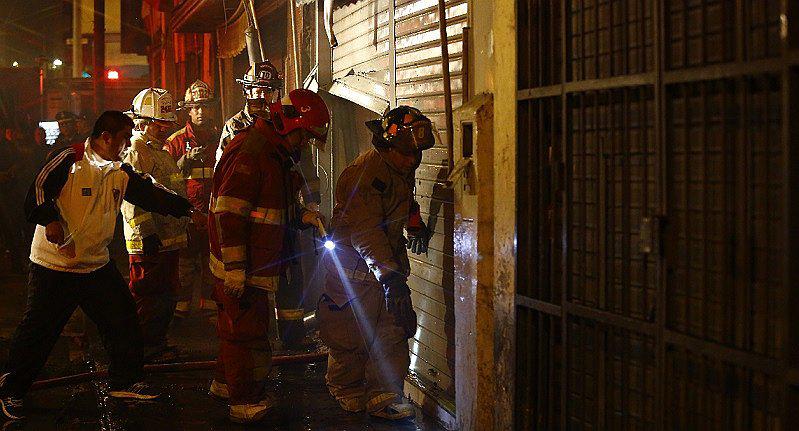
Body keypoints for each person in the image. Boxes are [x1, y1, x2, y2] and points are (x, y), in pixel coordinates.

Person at [0, 111, 205, 421]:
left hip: (95, 264)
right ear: (106, 137)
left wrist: (188, 210)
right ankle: (12, 389)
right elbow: (38, 190)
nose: (127, 145)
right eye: (124, 138)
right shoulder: (69, 158)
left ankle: (125, 381)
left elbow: (152, 194)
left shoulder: (120, 171)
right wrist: (50, 220)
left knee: (122, 319)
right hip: (54, 266)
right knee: (39, 331)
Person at [208, 89, 329, 423]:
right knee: (245, 333)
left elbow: (270, 208)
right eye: (305, 137)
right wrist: (234, 268)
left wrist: (302, 217)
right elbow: (228, 214)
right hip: (242, 265)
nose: (305, 145)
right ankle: (245, 402)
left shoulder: (273, 153)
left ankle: (224, 384)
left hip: (254, 261)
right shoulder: (252, 153)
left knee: (237, 327)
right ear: (291, 126)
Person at [318, 106, 435, 420]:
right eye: (407, 154)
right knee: (350, 335)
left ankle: (382, 398)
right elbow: (366, 231)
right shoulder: (369, 173)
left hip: (381, 267)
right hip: (354, 269)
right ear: (388, 145)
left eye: (416, 155)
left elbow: (404, 199)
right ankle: (348, 392)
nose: (413, 161)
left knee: (392, 331)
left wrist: (414, 225)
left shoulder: (399, 165)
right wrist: (390, 278)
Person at [121, 88, 192, 361]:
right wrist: (147, 232)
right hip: (149, 242)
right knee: (147, 296)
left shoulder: (159, 151)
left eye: (166, 124)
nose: (164, 129)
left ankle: (157, 343)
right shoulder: (137, 151)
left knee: (165, 295)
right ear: (142, 121)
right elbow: (132, 199)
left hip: (169, 239)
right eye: (159, 124)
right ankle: (144, 349)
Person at [164, 80, 219, 318]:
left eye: (205, 107)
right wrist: (184, 160)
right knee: (184, 265)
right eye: (196, 107)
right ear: (188, 110)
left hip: (212, 212)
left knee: (212, 262)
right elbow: (164, 178)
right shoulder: (175, 141)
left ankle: (208, 307)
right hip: (187, 214)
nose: (201, 112)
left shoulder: (220, 138)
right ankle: (181, 309)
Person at [217, 60, 283, 163]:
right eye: (259, 92)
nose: (263, 96)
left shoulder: (280, 123)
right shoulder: (235, 125)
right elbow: (222, 165)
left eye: (267, 92)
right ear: (248, 92)